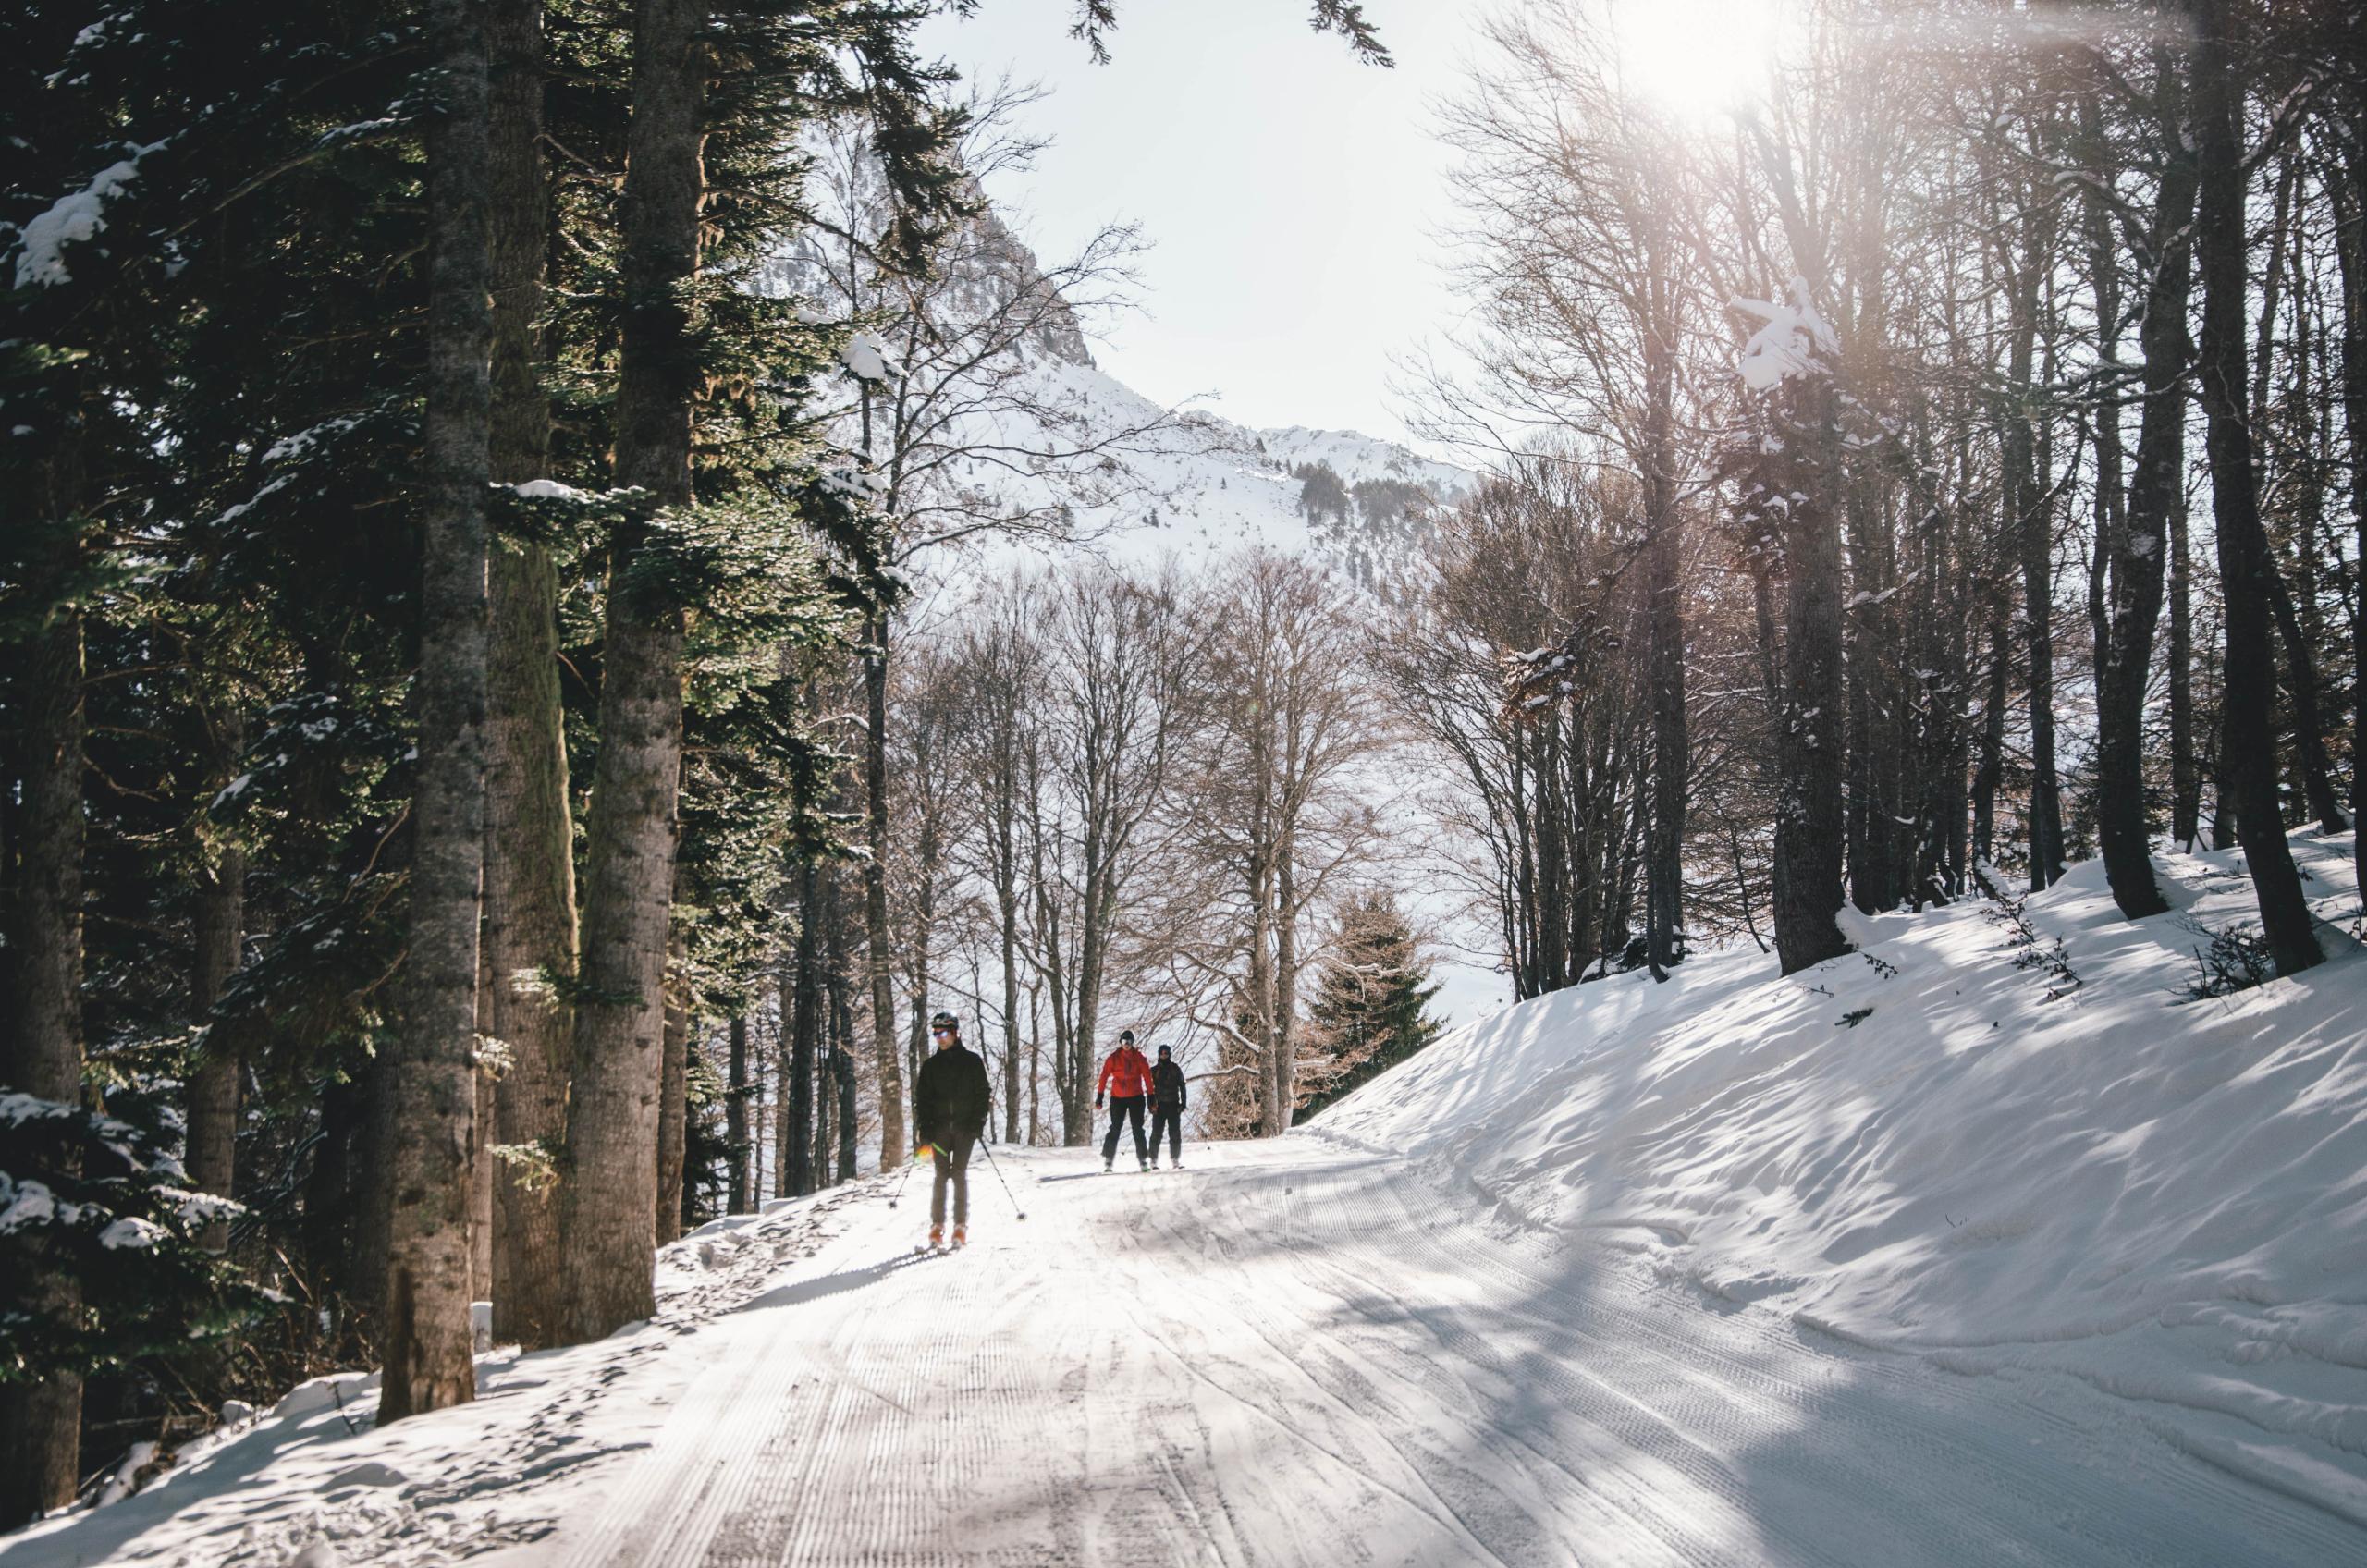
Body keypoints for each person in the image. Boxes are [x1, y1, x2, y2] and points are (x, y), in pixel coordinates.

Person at [911, 1011, 991, 1247]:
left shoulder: (972, 1061)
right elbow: (922, 1100)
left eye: (943, 1033)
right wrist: (925, 1130)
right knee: (941, 1175)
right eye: (936, 1034)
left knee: (959, 1175)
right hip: (939, 1131)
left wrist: (977, 1123)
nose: (940, 1038)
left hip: (965, 1129)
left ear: (955, 1033)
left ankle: (960, 1225)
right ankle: (937, 1225)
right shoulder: (930, 1066)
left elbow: (982, 1094)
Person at [1096, 1029, 1154, 1172]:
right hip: (1118, 1098)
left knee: (1137, 1129)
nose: (1126, 1044)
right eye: (1124, 1041)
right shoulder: (1114, 1058)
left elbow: (1147, 1077)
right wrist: (1100, 1095)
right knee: (1115, 1128)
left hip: (1136, 1097)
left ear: (1132, 1043)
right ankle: (1108, 1160)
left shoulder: (1139, 1057)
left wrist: (1151, 1096)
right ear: (1120, 1042)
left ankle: (1143, 1160)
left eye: (1129, 1042)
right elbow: (1104, 1076)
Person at [1148, 1044, 1187, 1170]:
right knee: (1156, 1134)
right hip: (1159, 1106)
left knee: (1175, 1134)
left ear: (1169, 1054)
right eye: (1162, 1053)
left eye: (1166, 1053)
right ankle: (1153, 1160)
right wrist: (1151, 1105)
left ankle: (1175, 1159)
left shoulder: (1175, 1069)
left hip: (1173, 1105)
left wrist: (1183, 1104)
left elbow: (1182, 1086)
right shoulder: (1154, 1071)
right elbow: (1149, 1090)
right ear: (1159, 1054)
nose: (1164, 1055)